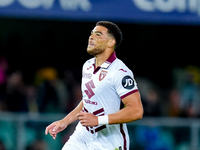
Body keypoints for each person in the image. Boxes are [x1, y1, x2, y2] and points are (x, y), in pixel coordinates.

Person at [45, 21, 143, 150]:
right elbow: (87, 100)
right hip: (82, 135)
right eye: (91, 34)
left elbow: (136, 111)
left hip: (109, 142)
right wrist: (65, 121)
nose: (91, 37)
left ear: (111, 42)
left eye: (98, 34)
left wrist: (98, 120)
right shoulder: (87, 66)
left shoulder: (120, 72)